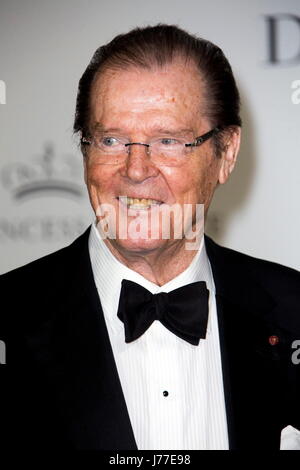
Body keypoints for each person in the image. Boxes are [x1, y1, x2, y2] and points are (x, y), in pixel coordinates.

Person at [0, 24, 299, 451]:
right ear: (85, 150)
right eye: (111, 139)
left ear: (226, 153)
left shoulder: (293, 311)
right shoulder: (9, 317)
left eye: (168, 141)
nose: (136, 169)